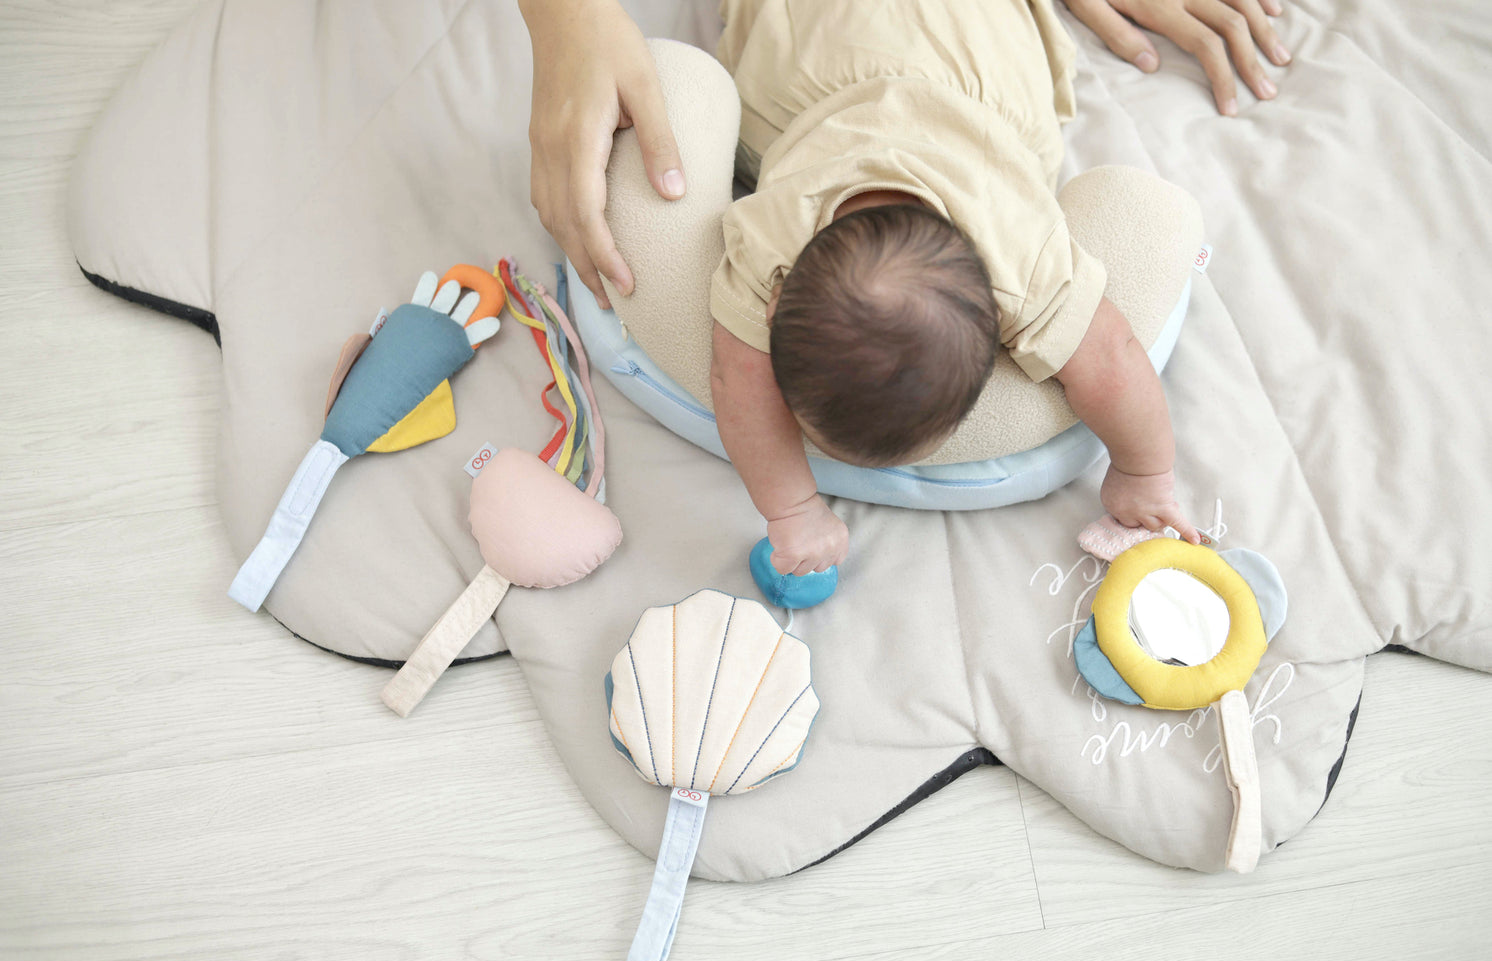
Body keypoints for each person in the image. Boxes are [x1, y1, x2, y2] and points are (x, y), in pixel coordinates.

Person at [519, 0, 1289, 573]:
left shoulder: (1008, 247)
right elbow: (1116, 357)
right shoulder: (777, 236)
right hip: (845, 53)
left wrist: (1142, 472)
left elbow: (1110, 357)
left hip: (946, 61)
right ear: (1004, 323)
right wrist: (1141, 473)